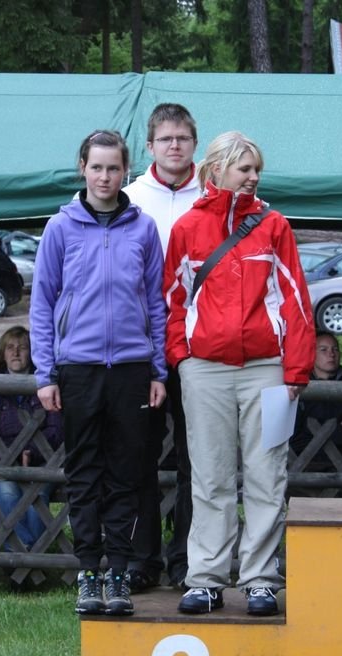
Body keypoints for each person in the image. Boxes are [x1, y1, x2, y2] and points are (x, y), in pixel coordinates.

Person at [163, 131, 316, 616]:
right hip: (205, 370)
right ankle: (206, 579)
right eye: (245, 168)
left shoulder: (274, 226)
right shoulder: (187, 228)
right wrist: (182, 358)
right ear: (217, 169)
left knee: (267, 476)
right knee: (209, 476)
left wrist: (296, 370)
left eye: (256, 170)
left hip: (267, 370)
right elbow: (172, 300)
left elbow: (295, 299)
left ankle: (260, 580)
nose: (253, 177)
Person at [30, 129, 167, 617]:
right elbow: (42, 302)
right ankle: (88, 571)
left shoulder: (143, 228)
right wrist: (45, 373)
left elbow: (156, 302)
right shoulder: (60, 228)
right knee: (84, 474)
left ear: (125, 171)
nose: (104, 177)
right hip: (78, 369)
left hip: (131, 369)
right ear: (82, 169)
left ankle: (120, 573)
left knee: (126, 474)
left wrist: (158, 369)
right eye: (96, 167)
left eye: (113, 168)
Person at [123, 102, 200, 592]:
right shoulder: (129, 199)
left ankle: (189, 559)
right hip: (141, 346)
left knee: (197, 459)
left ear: (195, 143)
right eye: (166, 139)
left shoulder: (213, 196)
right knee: (139, 455)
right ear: (150, 146)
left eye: (183, 138)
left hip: (198, 347)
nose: (175, 146)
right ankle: (142, 558)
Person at [0, 326, 63, 550]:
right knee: (7, 492)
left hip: (42, 461)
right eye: (10, 348)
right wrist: (10, 455)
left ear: (32, 353)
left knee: (37, 496)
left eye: (22, 348)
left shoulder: (47, 384)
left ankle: (19, 556)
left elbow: (56, 430)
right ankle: (28, 551)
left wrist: (30, 451)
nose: (15, 352)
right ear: (2, 354)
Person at [289, 332, 342, 490]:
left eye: (335, 349)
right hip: (304, 466)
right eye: (323, 349)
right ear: (311, 354)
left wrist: (311, 431)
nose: (331, 354)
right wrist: (338, 428)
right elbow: (295, 439)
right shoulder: (297, 388)